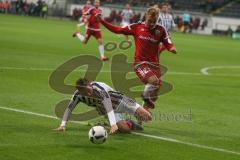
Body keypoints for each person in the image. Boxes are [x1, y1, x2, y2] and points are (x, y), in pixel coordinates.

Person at [96, 7, 177, 122]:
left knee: (155, 93)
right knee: (153, 82)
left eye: (154, 22)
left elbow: (167, 41)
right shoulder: (137, 27)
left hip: (155, 65)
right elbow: (117, 30)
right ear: (146, 16)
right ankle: (145, 95)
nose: (151, 24)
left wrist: (171, 48)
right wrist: (102, 21)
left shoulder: (161, 30)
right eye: (150, 21)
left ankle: (140, 119)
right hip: (141, 63)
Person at [54, 78, 152, 133]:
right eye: (85, 93)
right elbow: (69, 108)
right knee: (125, 130)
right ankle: (129, 123)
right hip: (105, 110)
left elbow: (108, 105)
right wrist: (63, 125)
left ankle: (107, 124)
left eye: (89, 91)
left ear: (90, 85)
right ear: (80, 92)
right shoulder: (77, 95)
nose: (88, 94)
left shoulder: (99, 88)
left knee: (148, 117)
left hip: (120, 101)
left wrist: (113, 124)